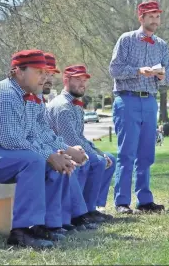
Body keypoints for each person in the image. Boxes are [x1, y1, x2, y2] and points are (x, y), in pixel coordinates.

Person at [0, 50, 87, 249]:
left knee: (48, 162)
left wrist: (59, 153)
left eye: (46, 72)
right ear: (18, 72)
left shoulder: (27, 96)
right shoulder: (5, 94)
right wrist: (48, 155)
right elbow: (11, 140)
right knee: (32, 161)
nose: (45, 77)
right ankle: (21, 232)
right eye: (39, 71)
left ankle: (46, 225)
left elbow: (37, 135)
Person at [108, 1, 169, 214]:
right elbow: (115, 69)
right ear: (141, 18)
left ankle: (144, 200)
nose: (155, 20)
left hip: (149, 101)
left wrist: (162, 76)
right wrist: (138, 71)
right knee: (127, 153)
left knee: (147, 153)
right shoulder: (126, 40)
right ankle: (122, 202)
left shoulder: (162, 45)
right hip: (127, 100)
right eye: (151, 16)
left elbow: (168, 78)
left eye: (157, 16)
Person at [47, 64, 116, 221]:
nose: (82, 84)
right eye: (78, 79)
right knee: (97, 161)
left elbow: (80, 137)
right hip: (61, 151)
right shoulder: (63, 106)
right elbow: (70, 140)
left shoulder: (75, 105)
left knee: (111, 158)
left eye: (84, 80)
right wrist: (97, 155)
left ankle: (92, 206)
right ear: (66, 80)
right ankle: (84, 211)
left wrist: (100, 152)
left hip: (73, 148)